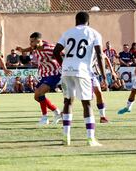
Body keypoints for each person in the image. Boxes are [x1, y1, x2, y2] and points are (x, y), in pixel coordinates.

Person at [53, 11, 107, 147]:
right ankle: (90, 139)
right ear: (88, 22)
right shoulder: (94, 33)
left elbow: (56, 51)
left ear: (75, 21)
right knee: (87, 103)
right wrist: (104, 75)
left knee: (67, 102)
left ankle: (66, 136)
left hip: (66, 71)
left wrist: (63, 64)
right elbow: (100, 54)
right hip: (83, 71)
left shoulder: (67, 32)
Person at [16, 32, 62, 125]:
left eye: (32, 42)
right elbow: (31, 48)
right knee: (37, 97)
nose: (30, 44)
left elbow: (63, 53)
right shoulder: (35, 47)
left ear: (39, 41)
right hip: (44, 74)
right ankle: (57, 112)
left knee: (40, 92)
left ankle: (45, 118)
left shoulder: (50, 48)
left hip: (54, 74)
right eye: (30, 41)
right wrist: (23, 50)